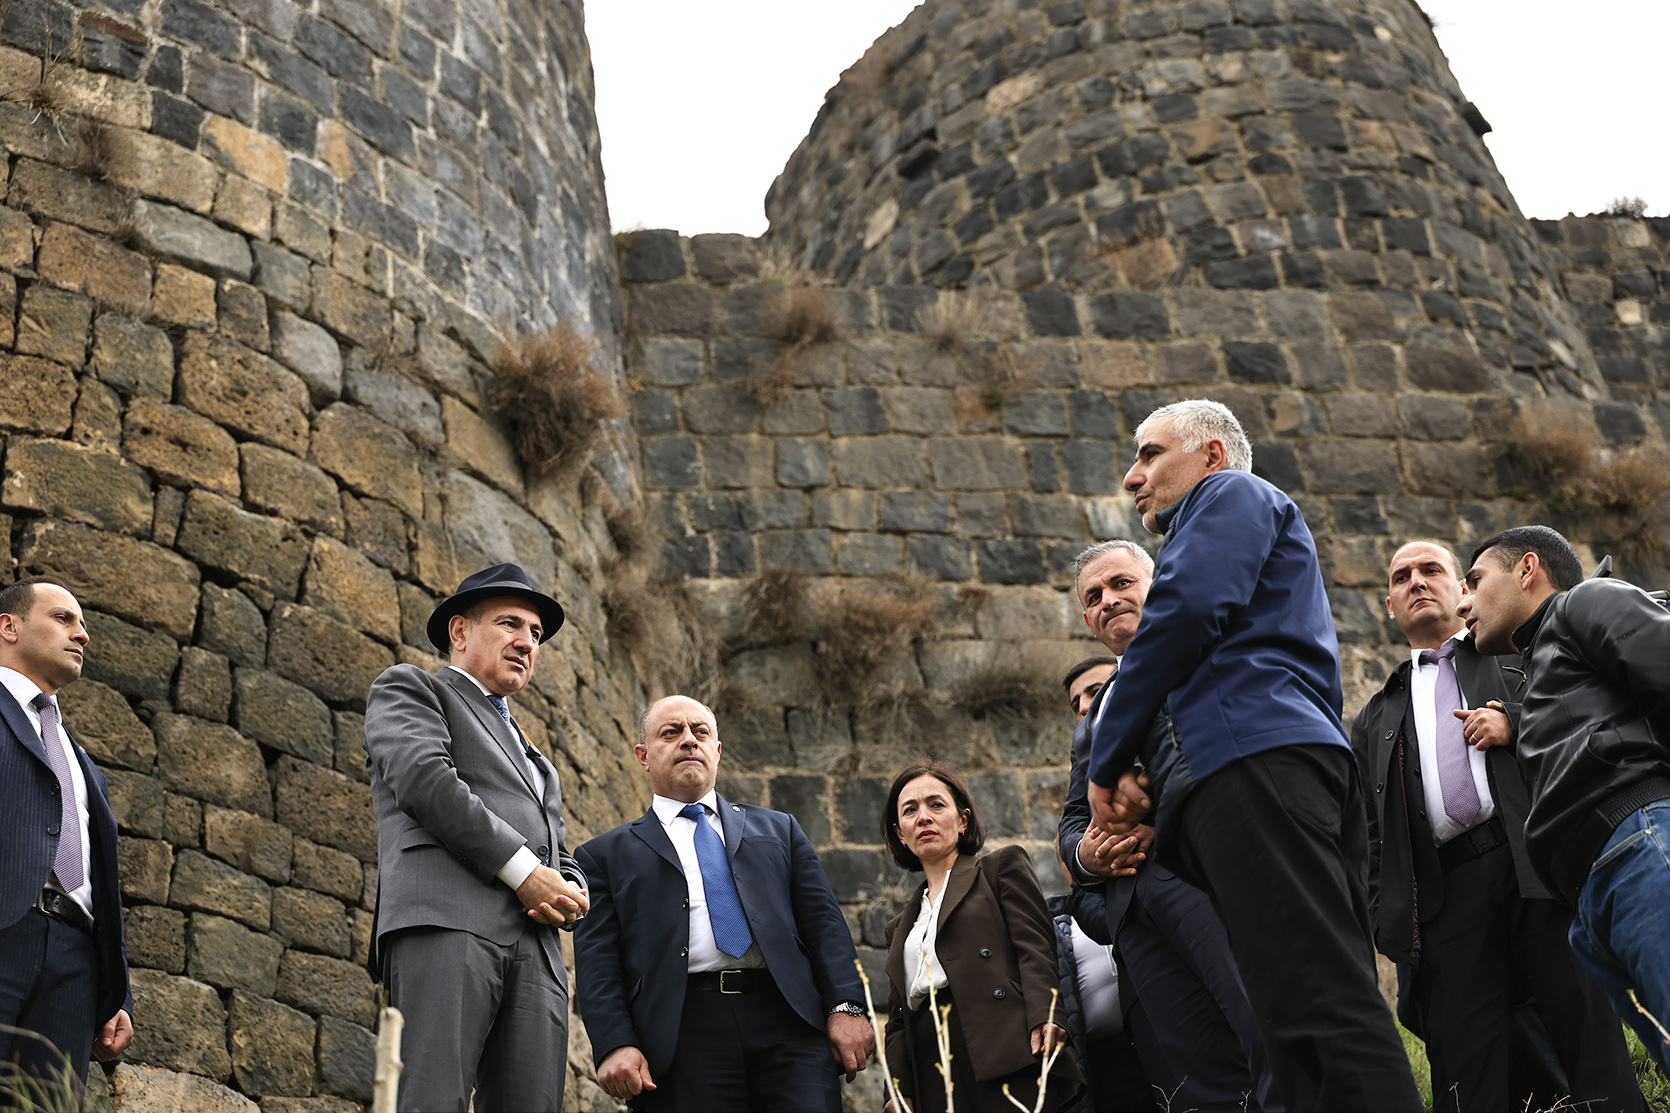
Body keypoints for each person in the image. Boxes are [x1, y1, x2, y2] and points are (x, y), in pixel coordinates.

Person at [1086, 399, 1420, 1111]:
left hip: (1254, 766)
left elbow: (1182, 614)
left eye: (1150, 454)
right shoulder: (1235, 545)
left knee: (1320, 1003)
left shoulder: (1231, 493)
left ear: (1211, 454)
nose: (1131, 476)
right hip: (1258, 768)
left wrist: (1106, 762)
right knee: (1289, 1018)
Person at [1352, 541, 1642, 1111]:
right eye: (1401, 577)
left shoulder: (1520, 651)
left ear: (1464, 589)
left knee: (1591, 1042)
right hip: (1447, 897)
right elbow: (1369, 828)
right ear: (1389, 605)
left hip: (1537, 862)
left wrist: (1515, 721)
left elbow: (1583, 713)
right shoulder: (1375, 716)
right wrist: (1385, 905)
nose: (1416, 582)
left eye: (1431, 570)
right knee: (1465, 1074)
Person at [1058, 542, 1280, 1112]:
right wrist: (1088, 856)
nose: (1109, 601)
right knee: (1198, 1078)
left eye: (1121, 584)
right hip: (1134, 913)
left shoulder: (1208, 653)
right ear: (1086, 620)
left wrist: (1163, 816)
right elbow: (1074, 819)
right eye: (1094, 597)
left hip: (1208, 877)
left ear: (1157, 585)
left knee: (1264, 1031)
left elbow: (1244, 743)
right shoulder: (1095, 713)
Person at [573, 694, 873, 1111]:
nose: (688, 740)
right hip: (680, 1033)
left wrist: (847, 1006)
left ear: (716, 750)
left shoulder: (780, 830)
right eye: (671, 733)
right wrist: (614, 1043)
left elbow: (824, 926)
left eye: (700, 732)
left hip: (788, 1022)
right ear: (643, 756)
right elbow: (598, 962)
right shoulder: (602, 855)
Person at [363, 563, 589, 1112]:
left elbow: (555, 847)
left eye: (536, 633)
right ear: (460, 632)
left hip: (537, 950)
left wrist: (572, 888)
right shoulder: (412, 688)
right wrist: (526, 874)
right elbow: (426, 781)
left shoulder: (539, 760)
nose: (527, 642)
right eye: (510, 624)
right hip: (447, 921)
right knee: (432, 1098)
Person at [1459, 525, 1670, 1073]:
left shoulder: (1587, 601)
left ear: (1527, 570)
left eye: (1475, 581)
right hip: (1594, 894)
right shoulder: (1539, 667)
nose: (1463, 604)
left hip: (1640, 843)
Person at [881, 763, 1082, 1113]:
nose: (923, 817)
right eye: (910, 810)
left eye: (936, 804)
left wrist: (1047, 1013)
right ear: (901, 834)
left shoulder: (999, 869)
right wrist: (896, 1089)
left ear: (963, 821)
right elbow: (899, 1019)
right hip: (932, 1069)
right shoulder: (900, 928)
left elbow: (1035, 948)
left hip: (1003, 1044)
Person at [0, 577, 133, 1085]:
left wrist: (116, 993)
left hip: (75, 966)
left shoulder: (84, 766)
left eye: (83, 624)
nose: (82, 634)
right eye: (63, 619)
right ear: (9, 627)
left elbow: (101, 882)